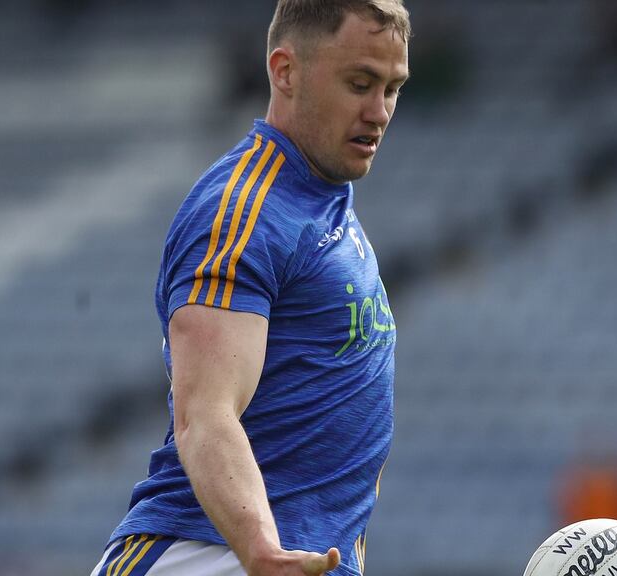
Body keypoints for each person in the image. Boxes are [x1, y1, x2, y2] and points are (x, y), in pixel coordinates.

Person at [89, 2, 410, 575]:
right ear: (285, 71)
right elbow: (204, 413)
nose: (379, 110)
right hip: (207, 556)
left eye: (392, 87)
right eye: (359, 83)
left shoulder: (326, 207)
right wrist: (260, 548)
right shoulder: (244, 210)